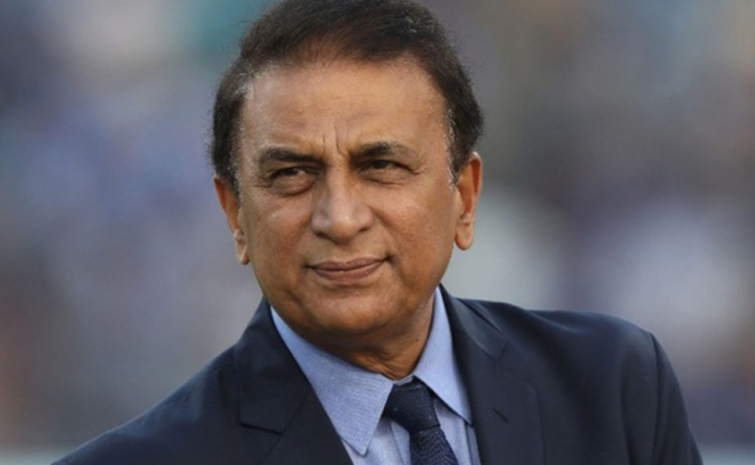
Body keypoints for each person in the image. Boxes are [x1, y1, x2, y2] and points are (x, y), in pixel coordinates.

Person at [55, 0, 703, 463]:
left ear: (464, 196)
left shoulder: (613, 390)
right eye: (292, 174)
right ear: (235, 215)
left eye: (382, 166)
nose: (340, 217)